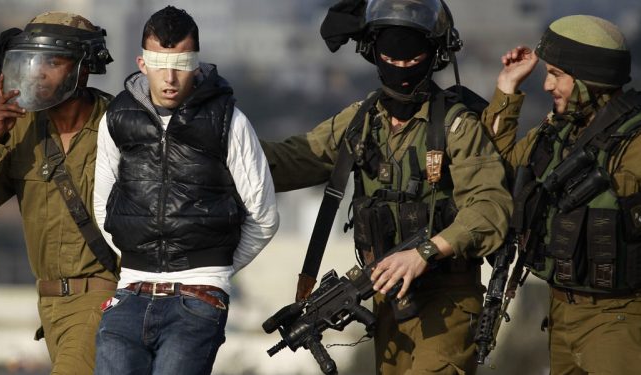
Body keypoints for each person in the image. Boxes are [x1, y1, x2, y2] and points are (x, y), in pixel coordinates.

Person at [261, 0, 513, 373]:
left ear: (435, 56)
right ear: (373, 55)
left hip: (448, 299)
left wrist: (424, 253)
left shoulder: (457, 126)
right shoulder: (362, 120)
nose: (402, 71)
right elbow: (289, 161)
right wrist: (219, 142)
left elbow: (490, 209)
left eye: (412, 62)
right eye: (391, 62)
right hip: (388, 302)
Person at [92, 6, 279, 375]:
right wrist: (139, 258)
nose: (171, 76)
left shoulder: (229, 120)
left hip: (198, 299)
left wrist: (213, 272)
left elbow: (264, 216)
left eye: (182, 63)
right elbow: (103, 206)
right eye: (160, 63)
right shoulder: (115, 118)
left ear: (196, 64)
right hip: (129, 292)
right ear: (142, 63)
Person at [0, 12, 117, 374]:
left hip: (104, 299)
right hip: (49, 306)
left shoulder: (120, 124)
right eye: (34, 61)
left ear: (83, 69)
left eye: (53, 63)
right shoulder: (20, 128)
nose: (39, 72)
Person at [482, 14, 641, 375]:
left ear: (588, 79)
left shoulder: (633, 144)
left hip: (618, 320)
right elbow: (495, 172)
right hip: (560, 314)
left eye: (557, 74)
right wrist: (507, 90)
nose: (547, 85)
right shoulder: (557, 134)